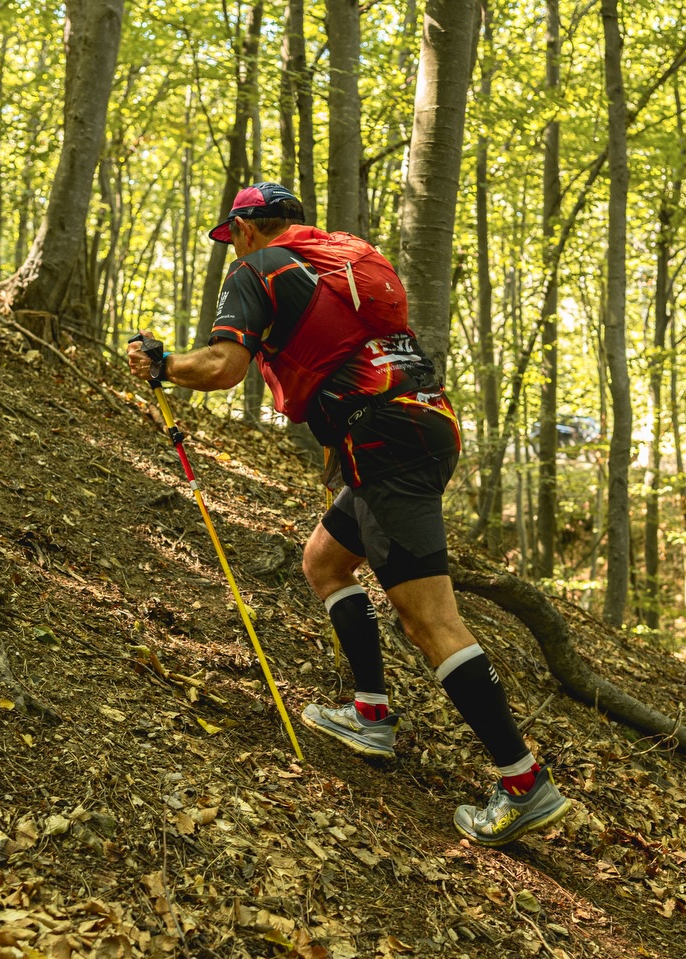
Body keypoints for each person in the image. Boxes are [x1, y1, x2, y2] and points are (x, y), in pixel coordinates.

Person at [127, 182, 570, 847]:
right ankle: (371, 714)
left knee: (430, 619)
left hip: (385, 441)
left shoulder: (258, 269)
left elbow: (223, 365)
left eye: (232, 239)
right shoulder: (340, 262)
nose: (233, 252)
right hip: (420, 425)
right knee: (326, 560)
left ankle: (522, 779)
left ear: (246, 230)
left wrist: (164, 365)